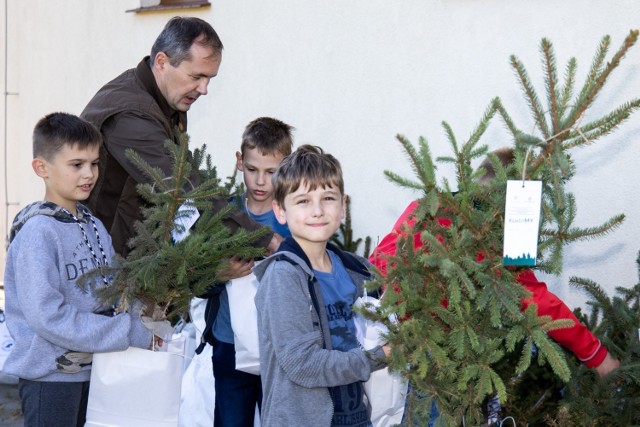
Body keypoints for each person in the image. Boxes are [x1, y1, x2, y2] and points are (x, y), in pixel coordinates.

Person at [369, 147, 620, 424]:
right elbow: (535, 300)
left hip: (396, 340)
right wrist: (599, 357)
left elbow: (379, 260)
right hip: (426, 354)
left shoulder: (425, 205)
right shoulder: (490, 239)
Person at [3, 112, 155, 427]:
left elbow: (115, 288)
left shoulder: (94, 225)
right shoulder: (38, 234)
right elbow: (48, 317)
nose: (89, 174)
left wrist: (146, 314)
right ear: (41, 168)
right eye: (77, 165)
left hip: (97, 371)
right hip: (50, 379)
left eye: (94, 163)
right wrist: (126, 331)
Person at [81, 16, 278, 257]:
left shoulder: (165, 99)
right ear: (162, 62)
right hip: (103, 265)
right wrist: (264, 240)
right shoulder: (130, 115)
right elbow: (182, 189)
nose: (204, 89)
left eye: (209, 79)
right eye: (196, 77)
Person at [253, 144, 391, 427]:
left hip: (357, 417)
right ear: (280, 210)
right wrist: (380, 357)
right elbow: (302, 365)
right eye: (303, 201)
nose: (317, 211)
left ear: (342, 206)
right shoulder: (283, 276)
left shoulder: (357, 270)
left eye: (328, 198)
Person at [205, 117, 294, 427]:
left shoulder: (294, 218)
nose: (260, 182)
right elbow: (194, 276)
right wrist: (221, 273)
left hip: (280, 347)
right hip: (229, 343)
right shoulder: (224, 213)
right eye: (253, 169)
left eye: (271, 173)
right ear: (239, 162)